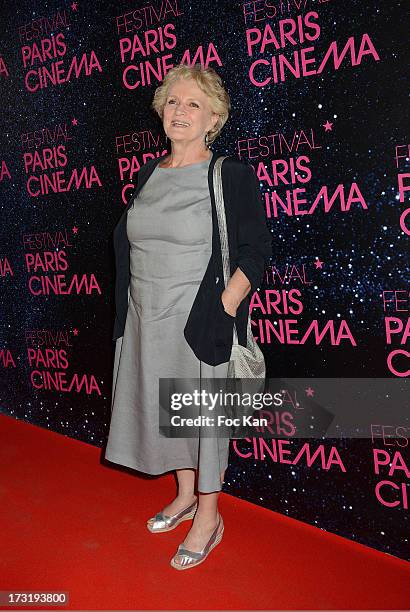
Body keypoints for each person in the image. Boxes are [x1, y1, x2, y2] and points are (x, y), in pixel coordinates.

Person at [104, 63, 272, 570]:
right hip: (144, 317)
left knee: (203, 420)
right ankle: (182, 497)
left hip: (198, 320)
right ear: (161, 112)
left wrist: (223, 308)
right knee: (168, 414)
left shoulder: (229, 175)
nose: (181, 111)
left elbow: (255, 252)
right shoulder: (148, 174)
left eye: (193, 104)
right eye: (173, 102)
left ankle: (209, 515)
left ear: (213, 117)